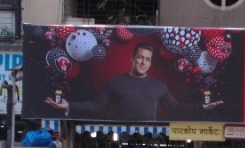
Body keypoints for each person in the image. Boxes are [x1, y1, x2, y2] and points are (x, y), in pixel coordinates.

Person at [45, 41, 222, 120]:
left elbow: (176, 107)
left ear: (150, 62)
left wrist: (202, 107)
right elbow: (97, 105)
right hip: (119, 136)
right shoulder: (115, 82)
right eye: (140, 57)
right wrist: (68, 106)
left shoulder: (159, 86)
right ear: (132, 58)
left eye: (147, 59)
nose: (143, 62)